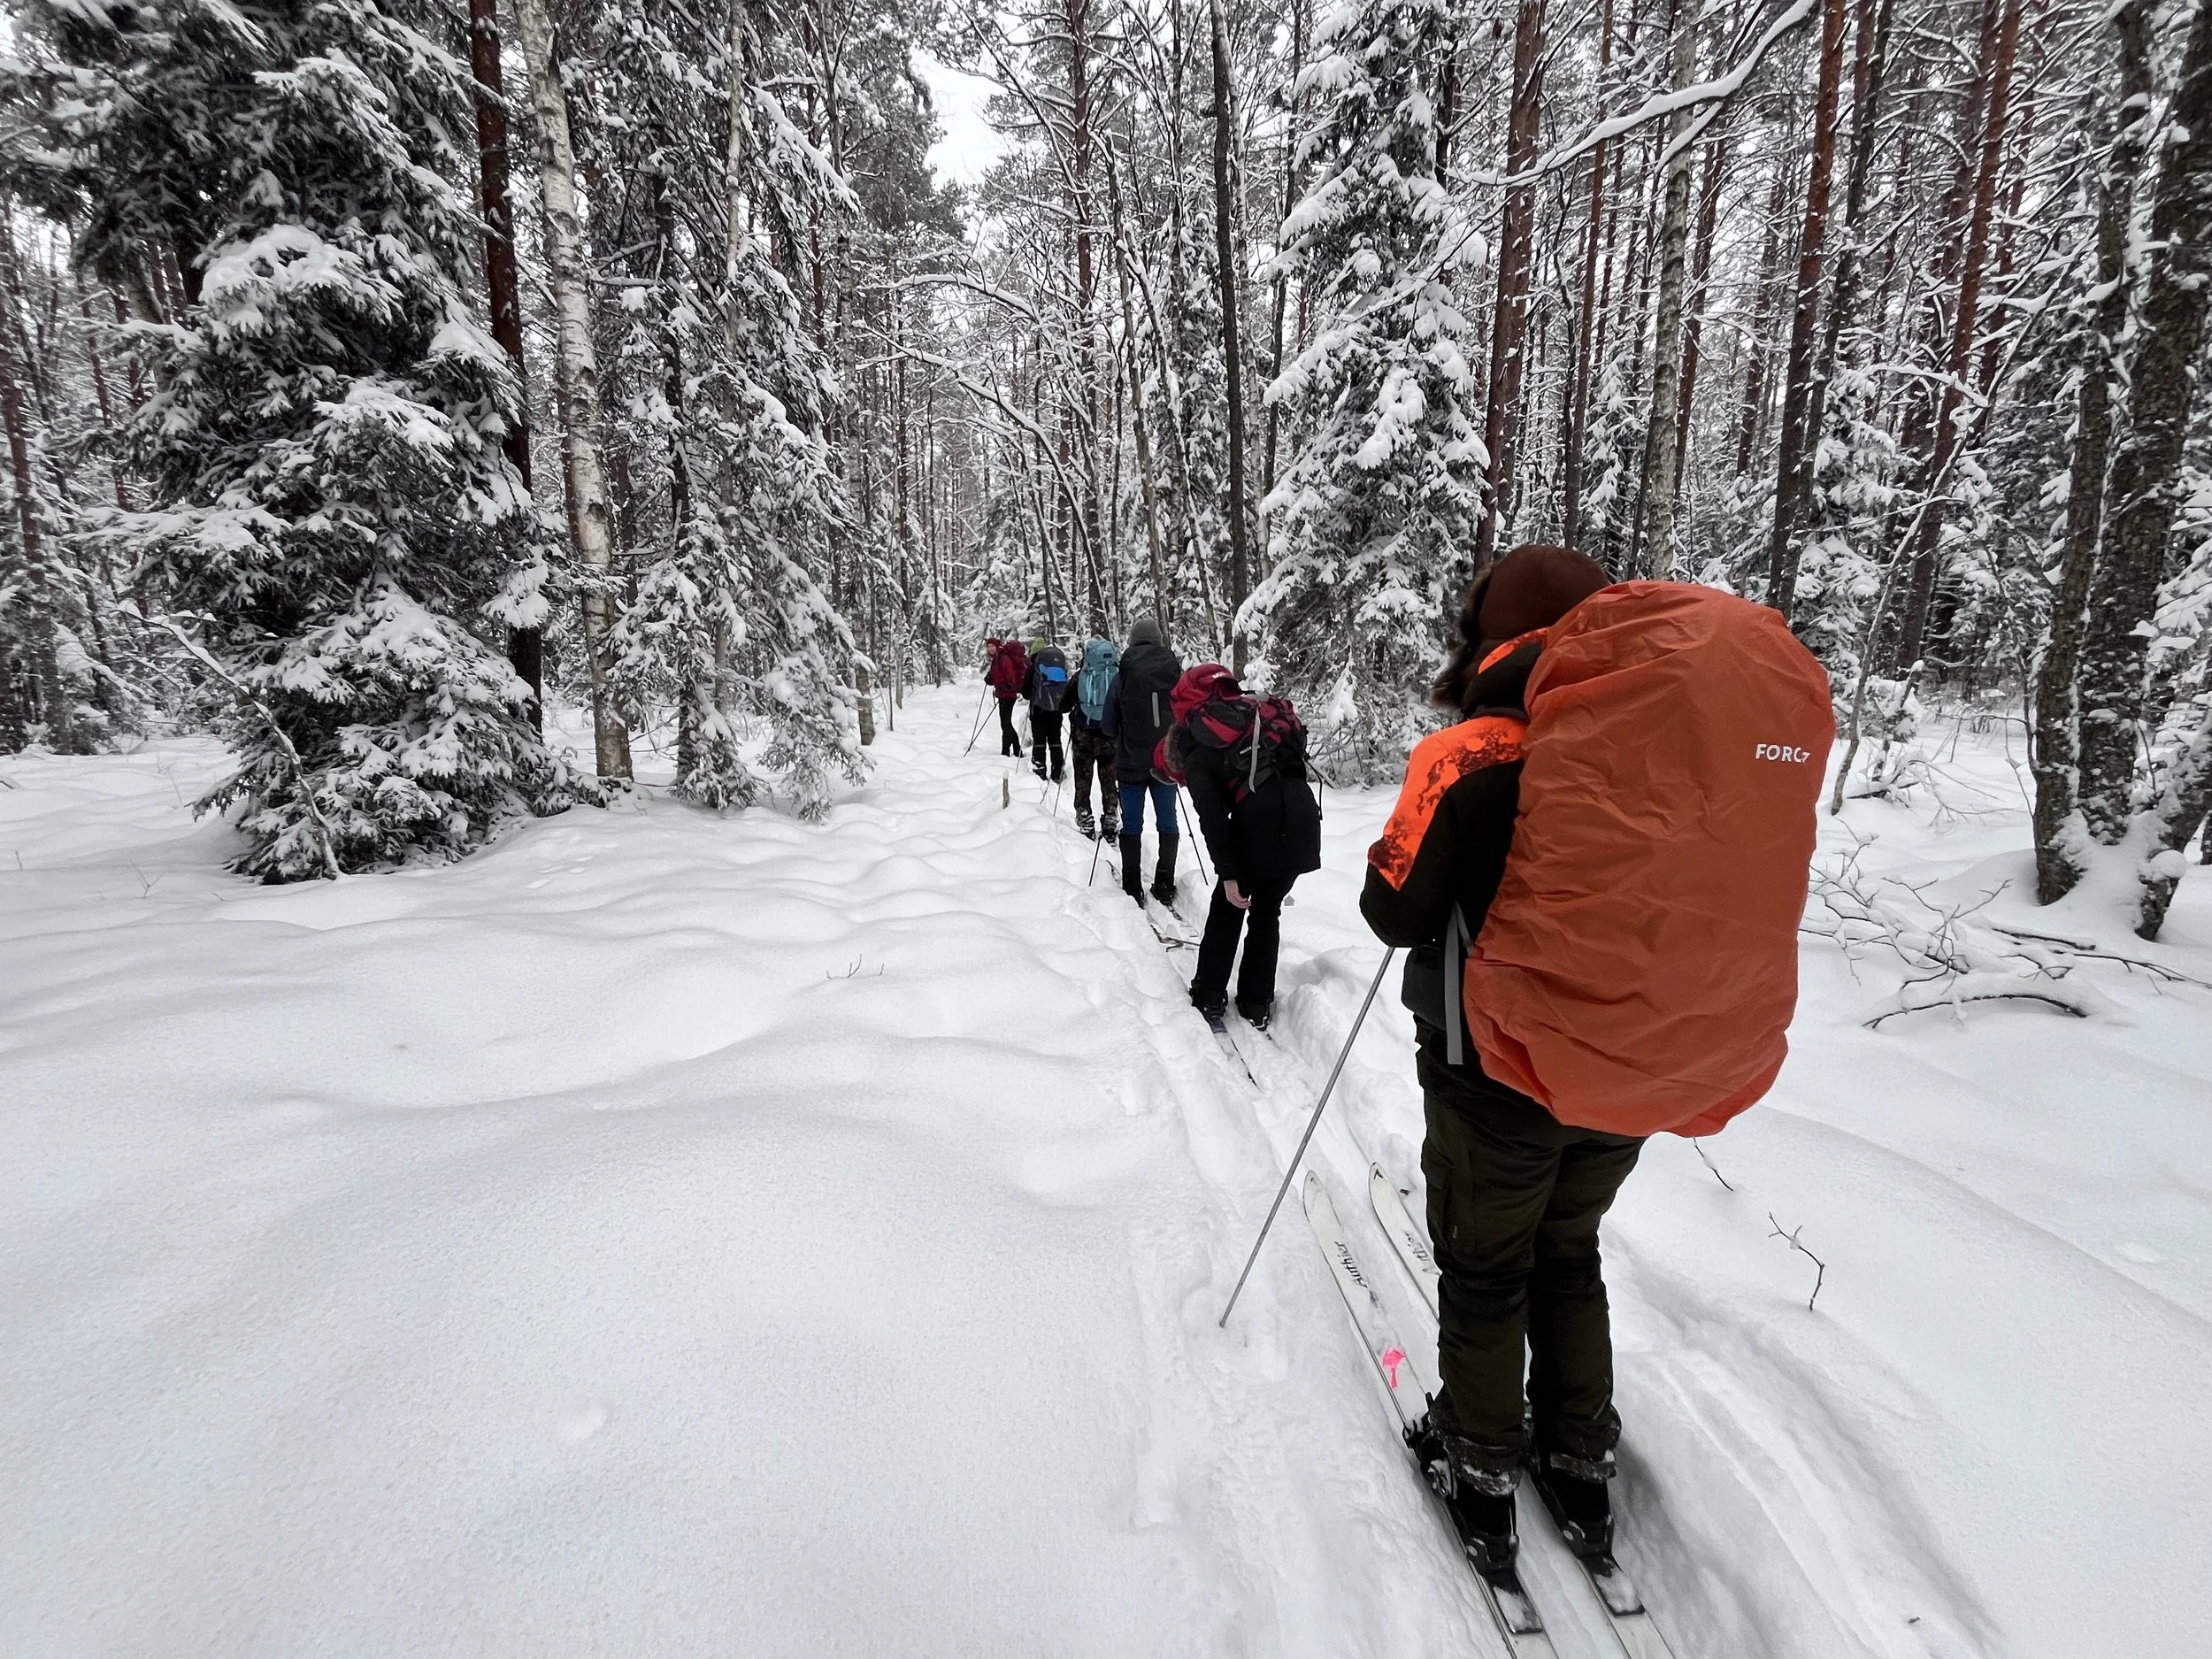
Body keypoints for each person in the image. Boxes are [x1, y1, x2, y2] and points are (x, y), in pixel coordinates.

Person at [1359, 543, 1832, 1575]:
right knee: (1566, 1252)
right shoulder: (1671, 745)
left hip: (1490, 1070)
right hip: (1628, 1070)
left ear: (1484, 638)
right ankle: (1579, 1462)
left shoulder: (1469, 752)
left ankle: (1478, 1465)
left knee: (1485, 1267)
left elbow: (1393, 914)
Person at [1161, 664, 1322, 1029]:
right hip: (1304, 821)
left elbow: (1214, 820)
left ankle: (1209, 996)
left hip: (1263, 823)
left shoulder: (1199, 749)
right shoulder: (1253, 724)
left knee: (1228, 908)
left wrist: (1229, 874)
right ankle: (1256, 1003)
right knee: (1266, 911)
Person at [1100, 617, 1183, 906]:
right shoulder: (1174, 670)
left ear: (1132, 641)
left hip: (1130, 762)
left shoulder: (1123, 673)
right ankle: (1165, 883)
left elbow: (1107, 724)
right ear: (1159, 640)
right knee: (1168, 821)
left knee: (1132, 823)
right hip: (1166, 762)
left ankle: (1132, 886)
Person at [1070, 638, 1121, 840]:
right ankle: (1110, 817)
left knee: (1083, 779)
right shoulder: (1118, 676)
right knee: (1109, 779)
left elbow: (1063, 704)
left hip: (1083, 736)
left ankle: (1085, 818)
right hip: (1110, 736)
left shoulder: (1081, 676)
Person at [1025, 641, 1073, 781]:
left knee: (1039, 741)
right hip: (1056, 710)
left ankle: (1040, 769)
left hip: (1038, 711)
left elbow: (1026, 693)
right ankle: (1057, 770)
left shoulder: (1033, 668)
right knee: (1055, 741)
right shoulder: (1059, 666)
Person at [986, 634, 1029, 757]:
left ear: (997, 646)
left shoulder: (1003, 658)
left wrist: (1007, 685)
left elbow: (1010, 677)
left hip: (1008, 694)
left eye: (992, 646)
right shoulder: (996, 659)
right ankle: (1011, 749)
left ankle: (1011, 750)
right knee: (1005, 723)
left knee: (1005, 723)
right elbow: (999, 676)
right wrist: (990, 679)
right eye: (989, 646)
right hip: (1003, 693)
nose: (990, 648)